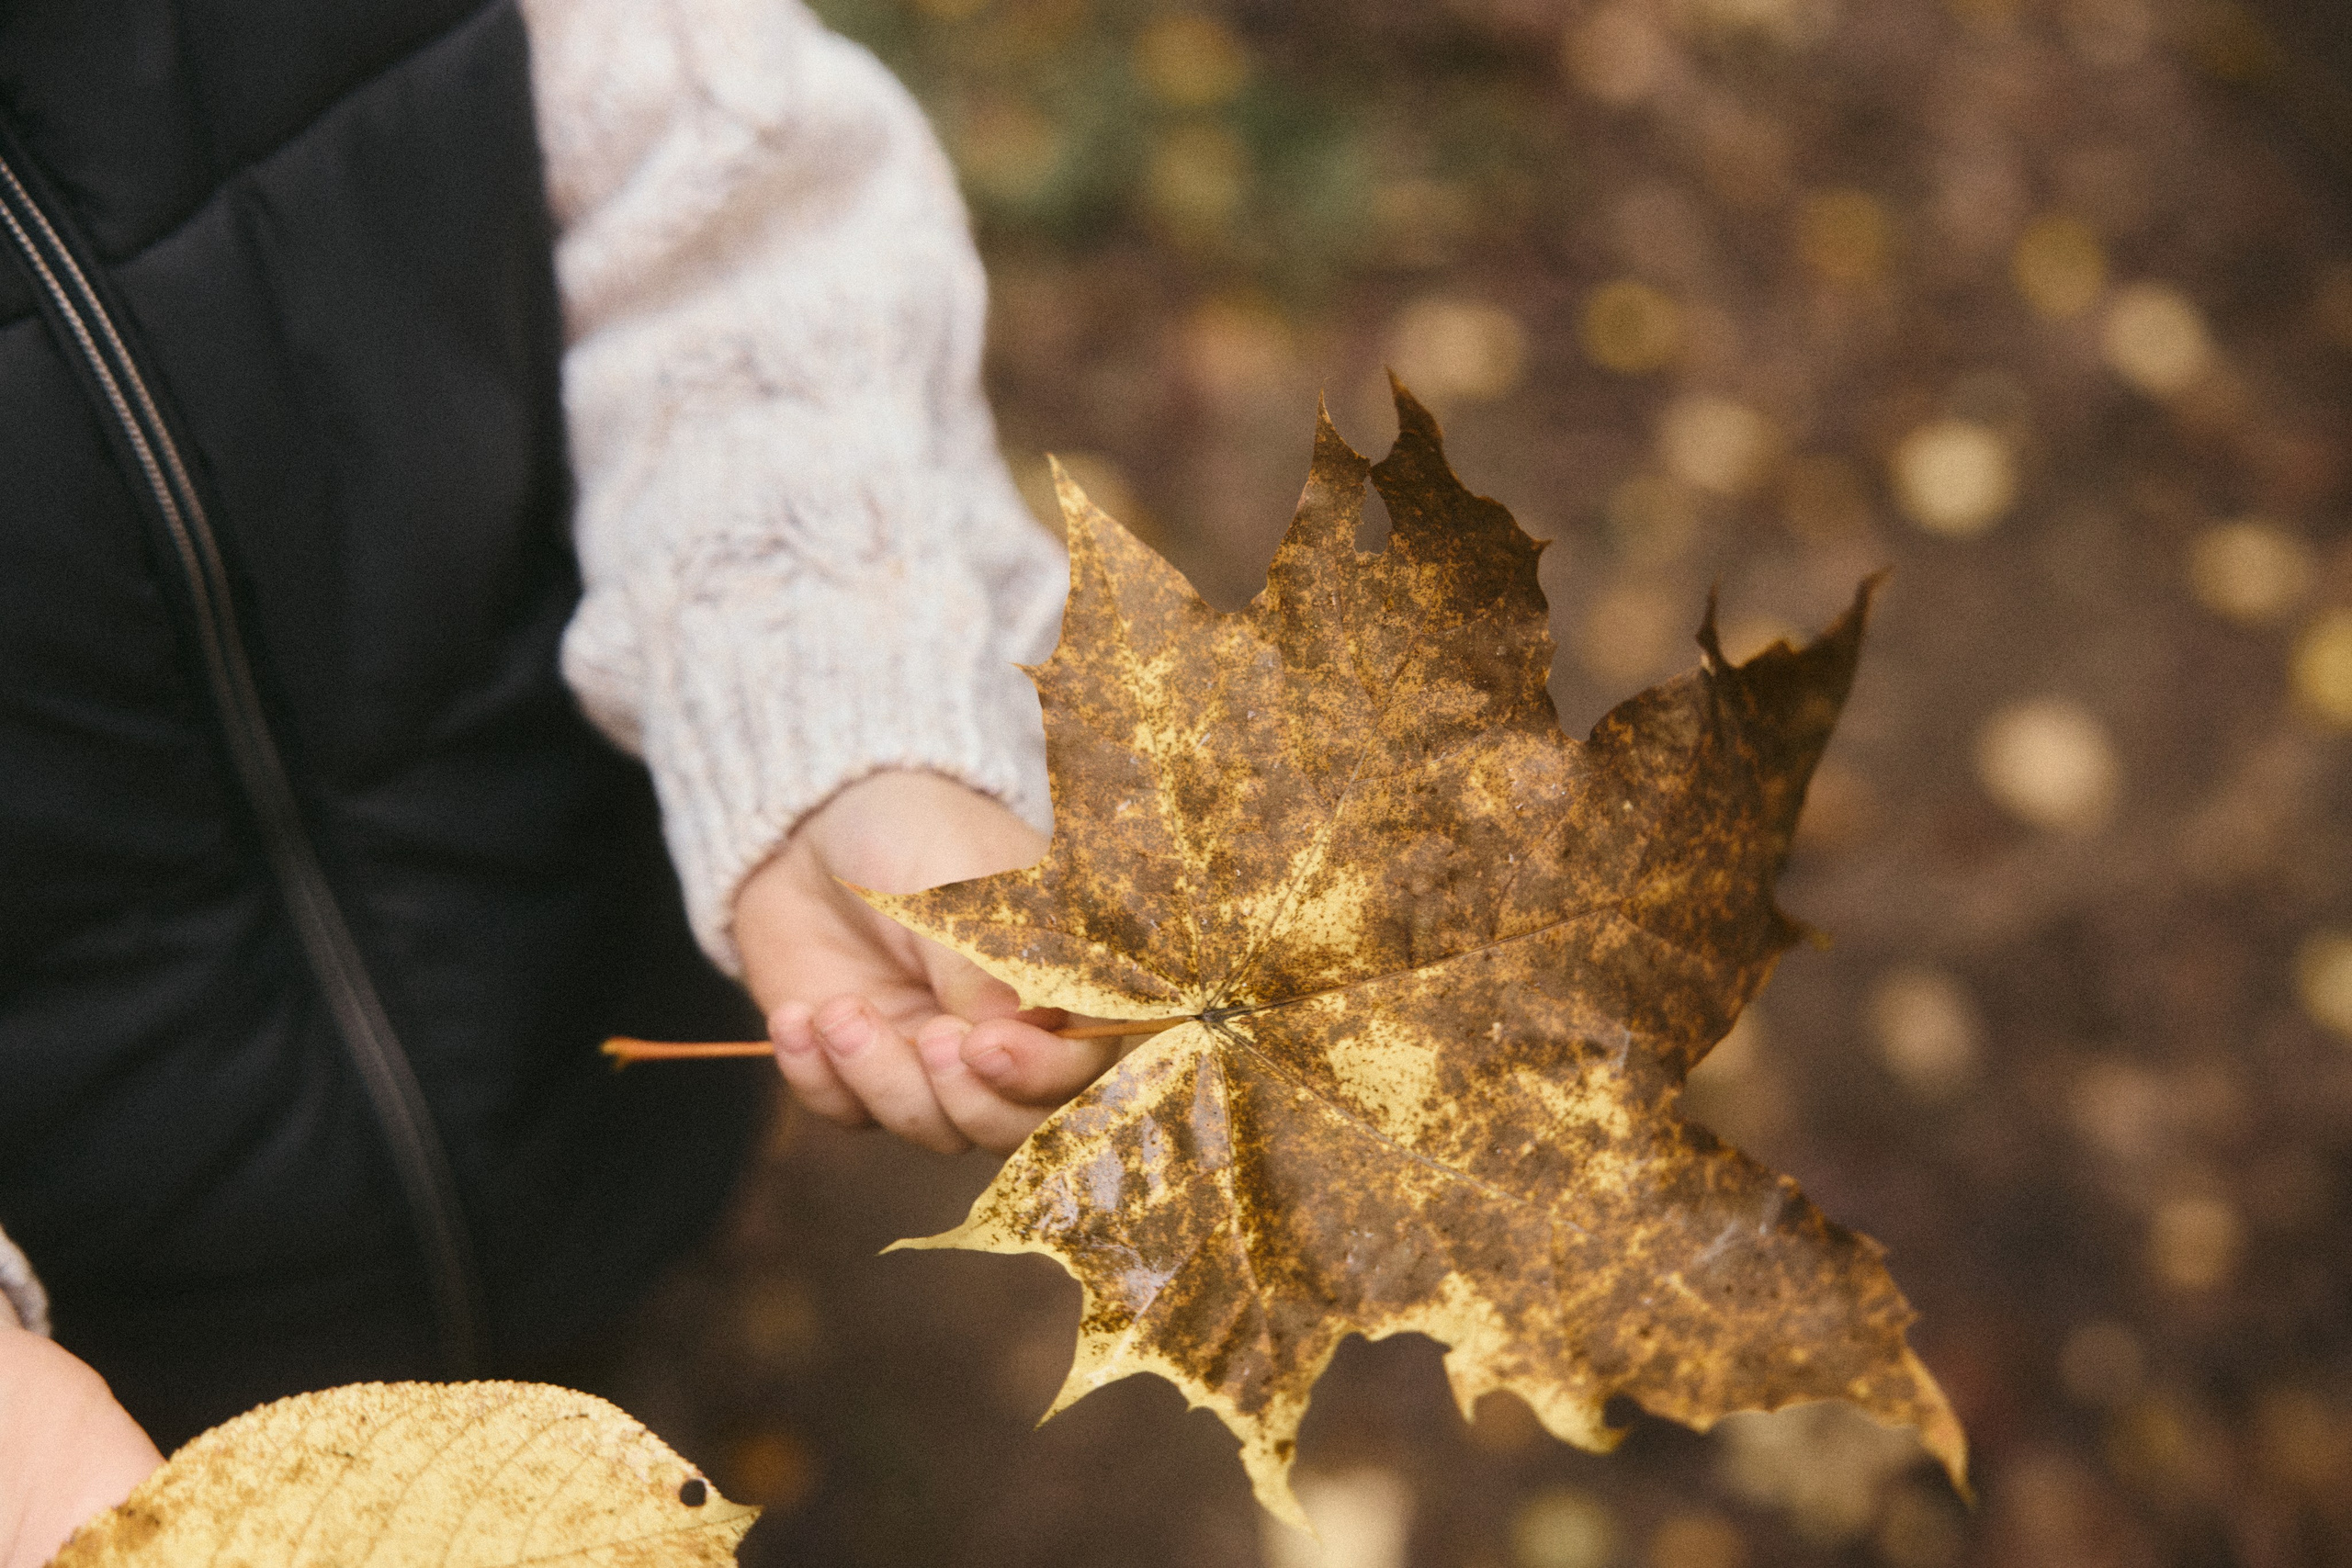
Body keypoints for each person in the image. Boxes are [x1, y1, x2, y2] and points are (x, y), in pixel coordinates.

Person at [0, 1, 1110, 1559]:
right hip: (134, 1359)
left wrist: (820, 690)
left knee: (637, 1407)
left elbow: (713, 189)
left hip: (579, 1042)